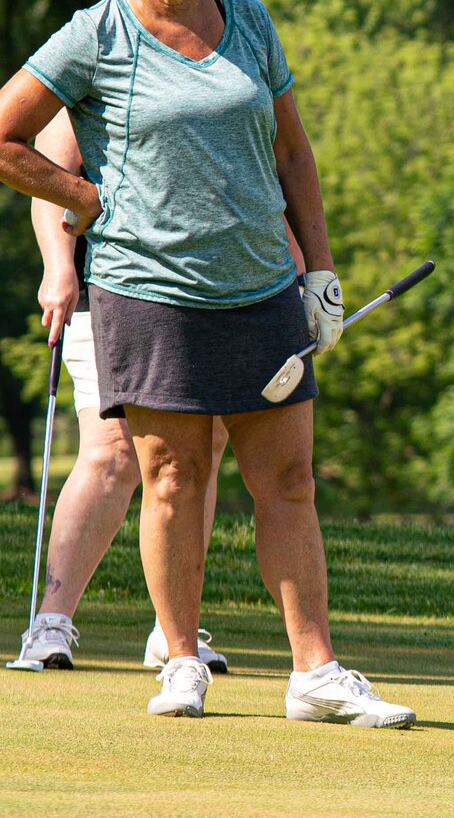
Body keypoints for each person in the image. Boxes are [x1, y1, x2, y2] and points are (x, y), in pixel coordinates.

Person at [0, 0, 413, 727]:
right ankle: (181, 659)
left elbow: (293, 154)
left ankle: (316, 673)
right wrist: (85, 201)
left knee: (288, 477)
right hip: (149, 289)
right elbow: (6, 136)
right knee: (173, 475)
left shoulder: (250, 20)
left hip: (261, 284)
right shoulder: (96, 34)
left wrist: (321, 271)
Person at [15, 112, 311, 674]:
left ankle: (171, 632)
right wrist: (58, 268)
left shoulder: (233, 62)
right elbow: (46, 176)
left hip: (219, 295)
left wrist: (299, 273)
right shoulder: (104, 47)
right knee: (113, 453)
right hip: (112, 293)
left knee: (199, 454)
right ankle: (50, 622)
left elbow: (266, 179)